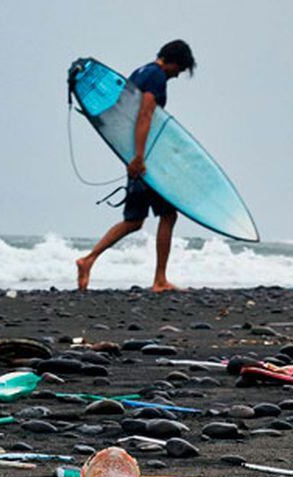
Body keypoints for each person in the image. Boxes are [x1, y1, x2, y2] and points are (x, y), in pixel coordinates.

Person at [76, 40, 196, 292]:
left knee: (134, 221)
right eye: (180, 70)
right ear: (174, 61)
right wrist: (140, 157)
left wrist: (132, 155)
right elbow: (144, 115)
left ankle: (88, 259)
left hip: (134, 154)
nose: (177, 75)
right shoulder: (156, 77)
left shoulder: (140, 73)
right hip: (144, 160)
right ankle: (160, 280)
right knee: (168, 214)